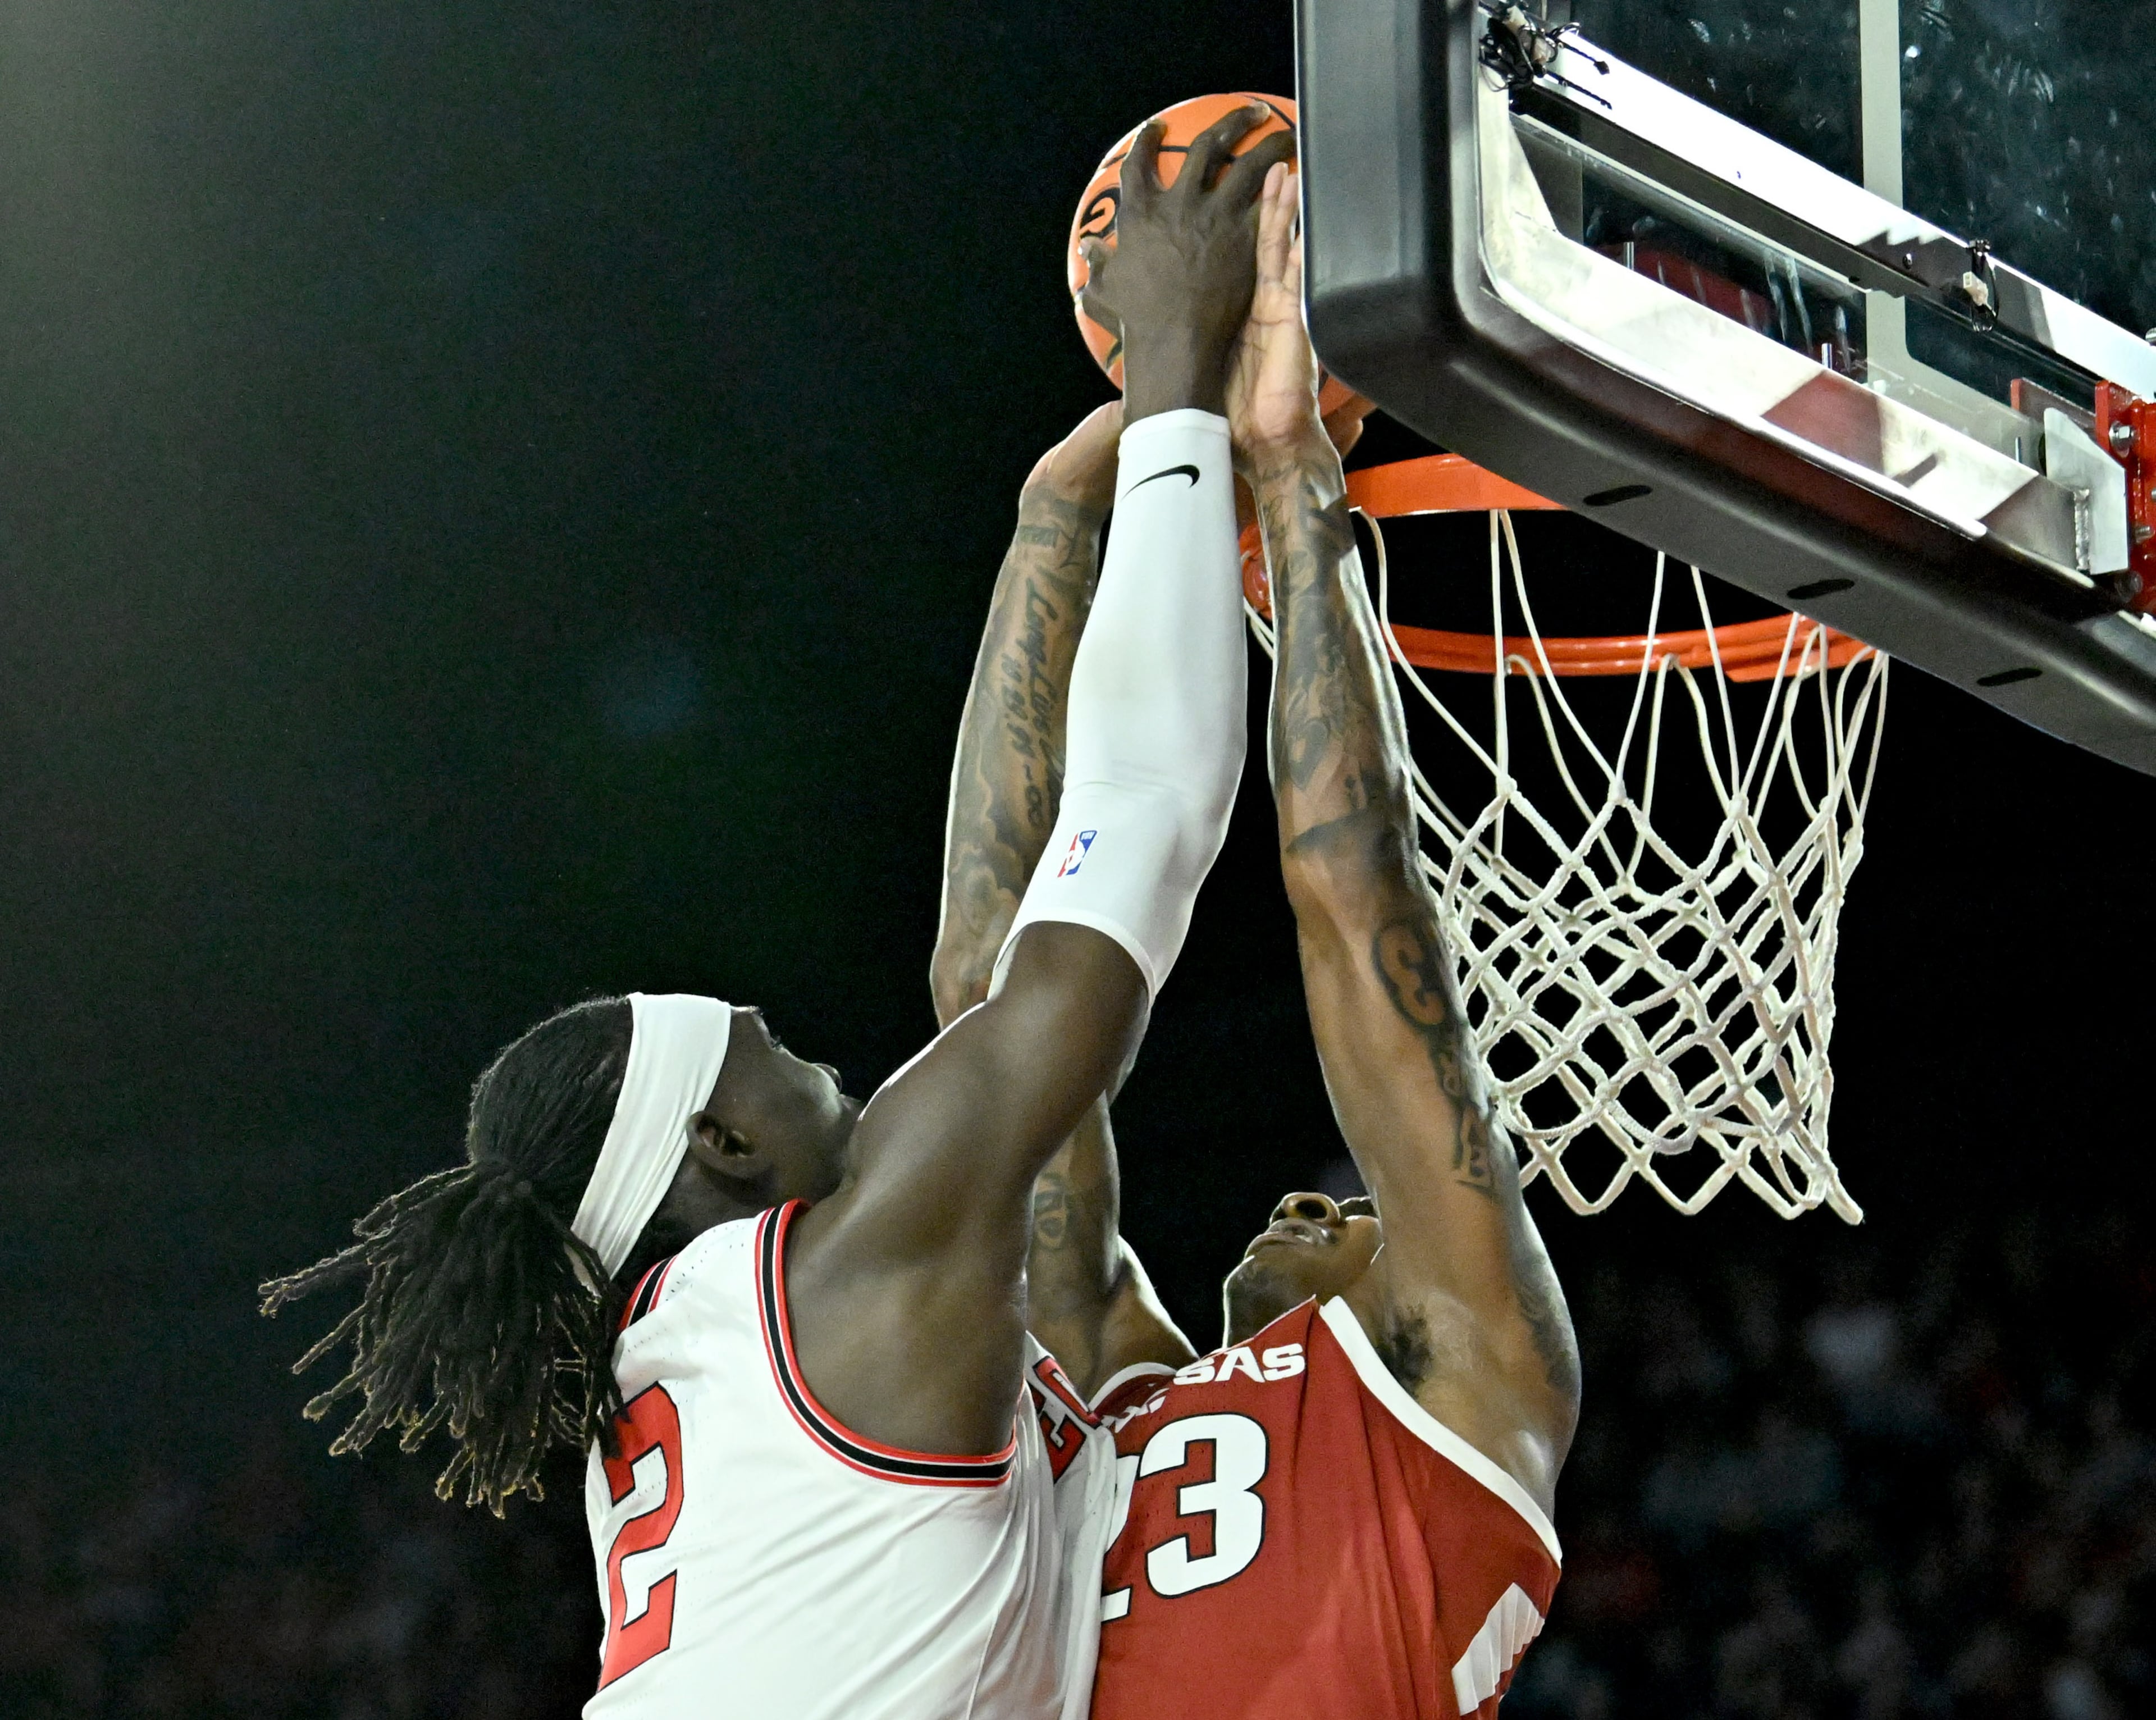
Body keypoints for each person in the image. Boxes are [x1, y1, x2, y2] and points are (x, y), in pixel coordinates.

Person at [260, 105, 1295, 1720]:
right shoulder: (846, 1277)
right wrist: (1175, 376)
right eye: (788, 1059)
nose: (844, 1076)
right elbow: (1138, 832)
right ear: (726, 1155)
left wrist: (1053, 523)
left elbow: (998, 963)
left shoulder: (673, 1379)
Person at [930, 165, 1581, 1720]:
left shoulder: (1437, 1376)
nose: (1311, 1192)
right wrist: (1091, 519)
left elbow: (989, 995)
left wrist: (1186, 489)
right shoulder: (1429, 1371)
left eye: (1349, 1213)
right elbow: (1352, 909)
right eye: (1350, 1203)